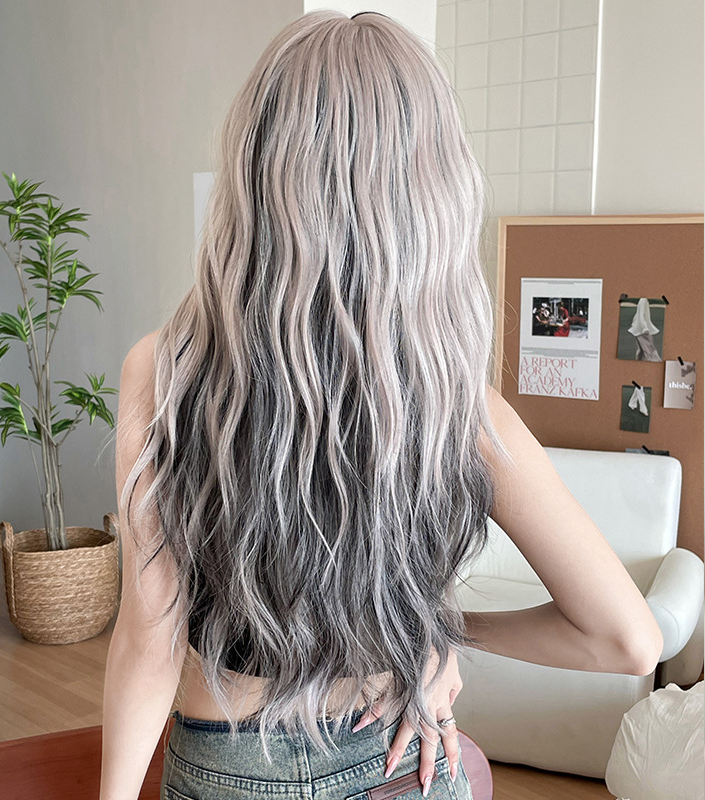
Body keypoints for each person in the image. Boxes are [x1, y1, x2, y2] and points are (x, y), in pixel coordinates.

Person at [99, 11, 664, 800]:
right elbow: (628, 641)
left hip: (228, 765)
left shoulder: (164, 371)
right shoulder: (456, 404)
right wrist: (434, 635)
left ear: (255, 169)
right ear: (431, 192)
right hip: (400, 763)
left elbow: (147, 640)